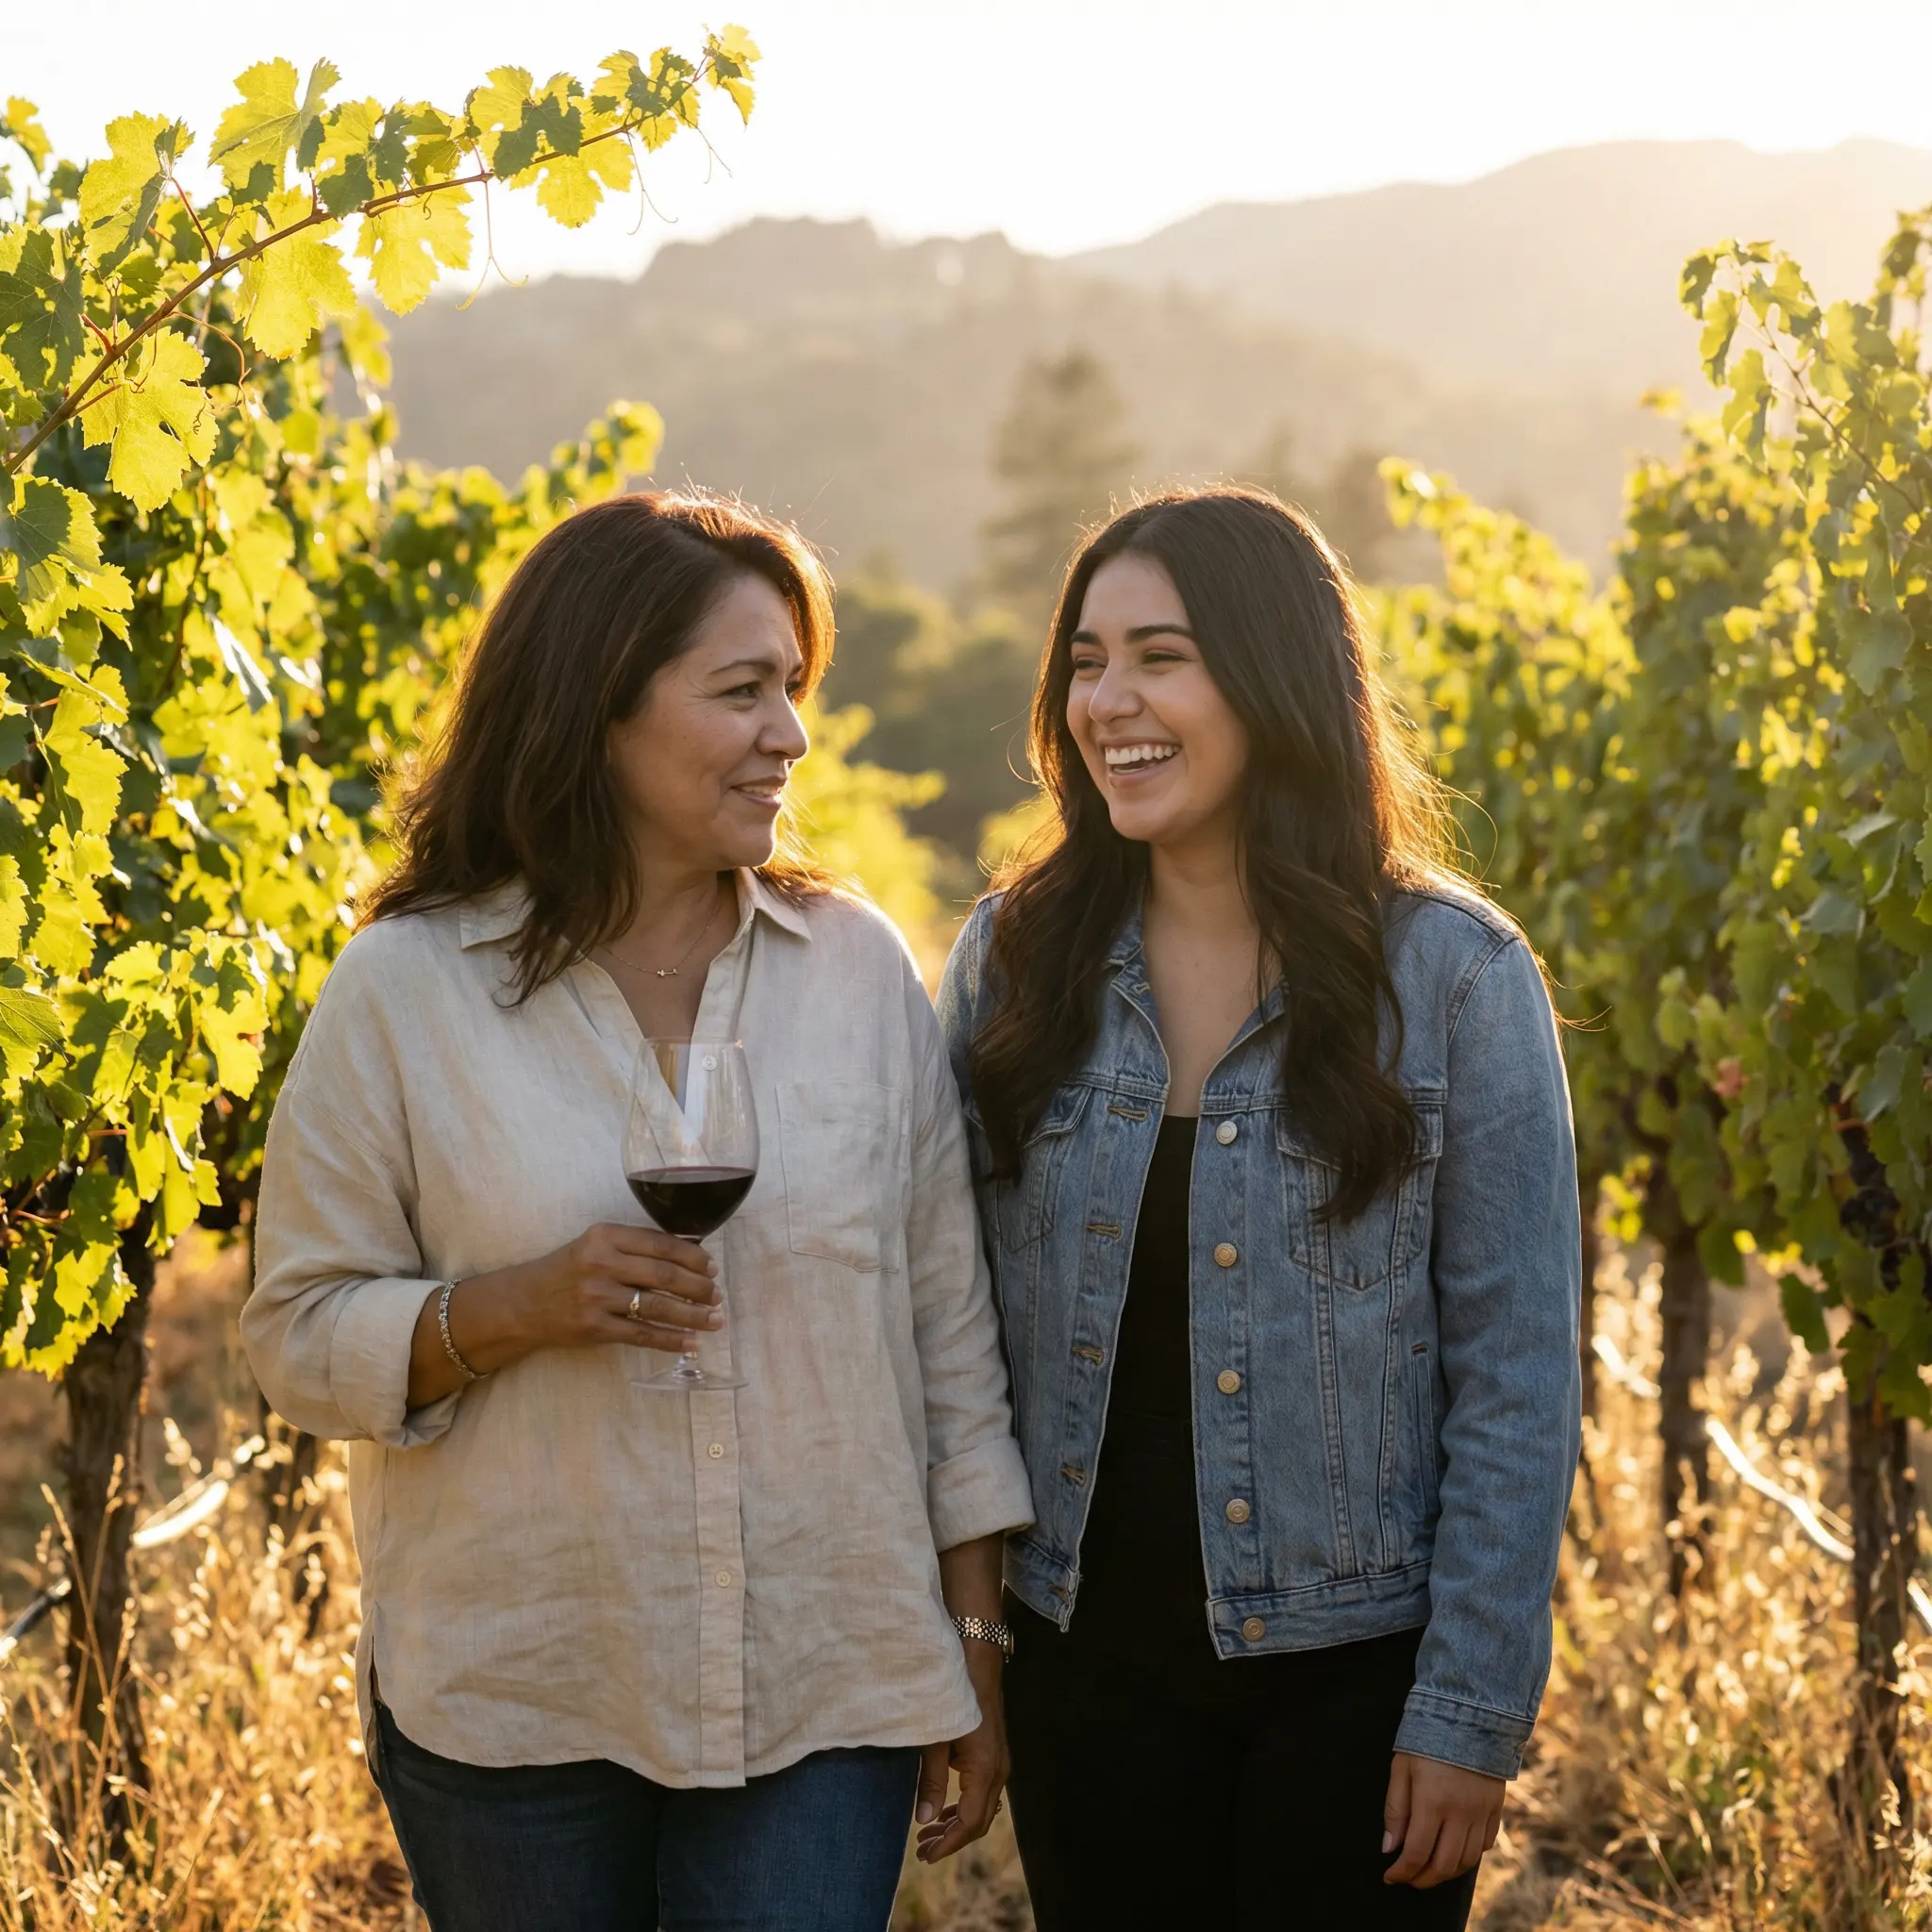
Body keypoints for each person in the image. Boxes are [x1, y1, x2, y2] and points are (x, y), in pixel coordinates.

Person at [243, 491, 1033, 1932]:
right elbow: (295, 1335)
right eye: (741, 692)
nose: (788, 733)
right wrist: (507, 1313)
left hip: (825, 1677)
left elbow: (949, 1339)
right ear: (595, 711)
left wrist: (971, 1642)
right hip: (522, 1692)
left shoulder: (855, 971)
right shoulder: (408, 991)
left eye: (793, 688)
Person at [937, 488, 1581, 1930]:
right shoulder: (1013, 961)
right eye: (1087, 662)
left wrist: (1468, 1710)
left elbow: (1518, 1380)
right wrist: (971, 1642)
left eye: (1161, 656)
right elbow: (949, 1333)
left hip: (1361, 1694)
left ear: (1274, 676)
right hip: (1085, 1685)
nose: (1111, 701)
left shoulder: (1458, 983)